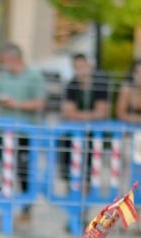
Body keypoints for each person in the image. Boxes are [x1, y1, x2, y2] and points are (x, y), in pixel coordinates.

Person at [0, 43, 46, 214]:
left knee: (24, 171)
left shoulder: (34, 76)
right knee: (4, 171)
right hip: (4, 133)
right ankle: (6, 209)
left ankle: (26, 209)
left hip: (26, 133)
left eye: (6, 61)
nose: (4, 65)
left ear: (16, 59)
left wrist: (16, 104)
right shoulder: (2, 76)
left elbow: (40, 102)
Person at [58, 53, 111, 183]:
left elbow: (103, 113)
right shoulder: (71, 85)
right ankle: (70, 189)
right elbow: (68, 113)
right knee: (68, 165)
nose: (81, 70)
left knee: (90, 167)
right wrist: (92, 115)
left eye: (83, 66)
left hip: (95, 134)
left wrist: (78, 115)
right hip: (73, 135)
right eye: (77, 67)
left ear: (89, 65)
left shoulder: (100, 84)